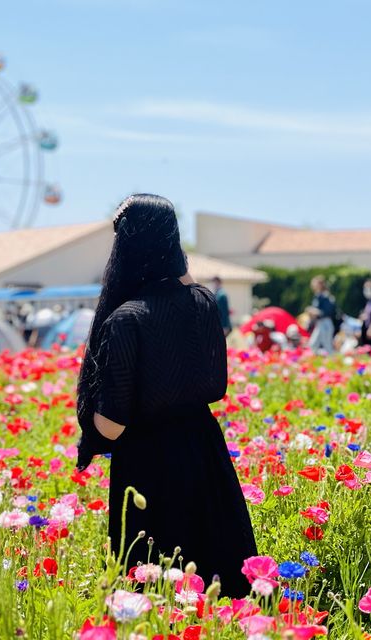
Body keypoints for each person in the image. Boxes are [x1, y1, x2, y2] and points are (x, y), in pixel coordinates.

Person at [76, 194, 257, 598]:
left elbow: (112, 424)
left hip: (149, 463)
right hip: (203, 450)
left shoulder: (126, 320)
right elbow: (215, 386)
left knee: (157, 590)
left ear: (125, 247)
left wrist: (88, 420)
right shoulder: (203, 304)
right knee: (216, 578)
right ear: (174, 243)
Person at [306, 276, 336, 353]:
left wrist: (315, 311)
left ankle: (333, 362)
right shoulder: (317, 296)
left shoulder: (326, 296)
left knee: (327, 345)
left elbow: (328, 312)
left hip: (325, 323)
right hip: (319, 323)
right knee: (313, 344)